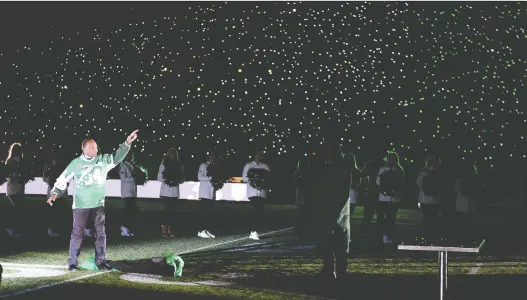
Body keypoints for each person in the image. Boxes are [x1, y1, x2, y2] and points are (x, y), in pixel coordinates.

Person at [47, 130, 138, 271]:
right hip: (80, 205)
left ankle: (100, 261)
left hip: (98, 204)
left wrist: (127, 143)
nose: (96, 149)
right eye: (92, 147)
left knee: (100, 234)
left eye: (96, 147)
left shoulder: (102, 160)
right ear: (84, 149)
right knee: (77, 233)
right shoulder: (75, 163)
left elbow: (117, 157)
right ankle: (72, 262)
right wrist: (55, 192)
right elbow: (63, 178)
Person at [305, 139, 351, 281]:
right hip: (326, 209)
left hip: (337, 210)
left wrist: (337, 212)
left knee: (339, 241)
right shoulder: (325, 166)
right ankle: (329, 269)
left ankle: (340, 271)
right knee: (326, 240)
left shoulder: (341, 167)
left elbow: (344, 191)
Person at [376, 151, 405, 244]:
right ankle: (388, 237)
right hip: (390, 198)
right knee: (389, 219)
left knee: (388, 219)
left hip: (386, 198)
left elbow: (377, 182)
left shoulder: (384, 169)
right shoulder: (399, 170)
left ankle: (387, 237)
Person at [242, 149, 271, 241]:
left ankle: (253, 231)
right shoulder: (248, 165)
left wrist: (263, 181)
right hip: (253, 192)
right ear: (253, 156)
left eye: (259, 155)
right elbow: (244, 178)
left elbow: (269, 178)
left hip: (262, 193)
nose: (258, 157)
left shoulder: (265, 166)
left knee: (260, 212)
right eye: (256, 155)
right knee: (256, 210)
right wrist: (254, 178)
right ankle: (253, 231)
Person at [157, 148, 185, 238]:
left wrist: (176, 180)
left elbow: (182, 178)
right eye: (170, 154)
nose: (172, 155)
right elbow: (159, 177)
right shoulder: (163, 164)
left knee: (172, 211)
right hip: (166, 192)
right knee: (167, 211)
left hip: (174, 192)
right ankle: (164, 230)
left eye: (174, 154)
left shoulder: (179, 165)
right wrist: (168, 180)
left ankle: (169, 229)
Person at [416, 154, 444, 244]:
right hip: (435, 200)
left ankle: (424, 237)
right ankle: (432, 238)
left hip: (424, 199)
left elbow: (418, 183)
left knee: (425, 219)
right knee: (433, 220)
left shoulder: (423, 171)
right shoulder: (440, 172)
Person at [4, 142, 28, 238]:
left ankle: (13, 229)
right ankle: (12, 229)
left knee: (17, 209)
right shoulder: (12, 162)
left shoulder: (13, 161)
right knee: (16, 209)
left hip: (15, 187)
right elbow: (8, 175)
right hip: (14, 187)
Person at [43, 152, 68, 237]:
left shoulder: (57, 168)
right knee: (55, 212)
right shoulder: (52, 167)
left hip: (58, 193)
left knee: (56, 212)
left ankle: (54, 229)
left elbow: (45, 179)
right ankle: (52, 229)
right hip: (56, 193)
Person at [197, 151, 218, 239]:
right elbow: (199, 177)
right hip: (205, 192)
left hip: (211, 193)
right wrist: (210, 178)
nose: (212, 158)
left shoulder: (215, 166)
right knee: (204, 212)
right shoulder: (203, 165)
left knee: (210, 213)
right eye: (210, 156)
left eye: (213, 156)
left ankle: (207, 230)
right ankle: (201, 230)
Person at [118, 151, 138, 237]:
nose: (132, 158)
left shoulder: (133, 166)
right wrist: (133, 178)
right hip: (127, 192)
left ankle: (127, 228)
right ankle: (124, 227)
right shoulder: (124, 166)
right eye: (130, 156)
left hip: (132, 192)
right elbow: (123, 178)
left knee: (131, 211)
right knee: (129, 210)